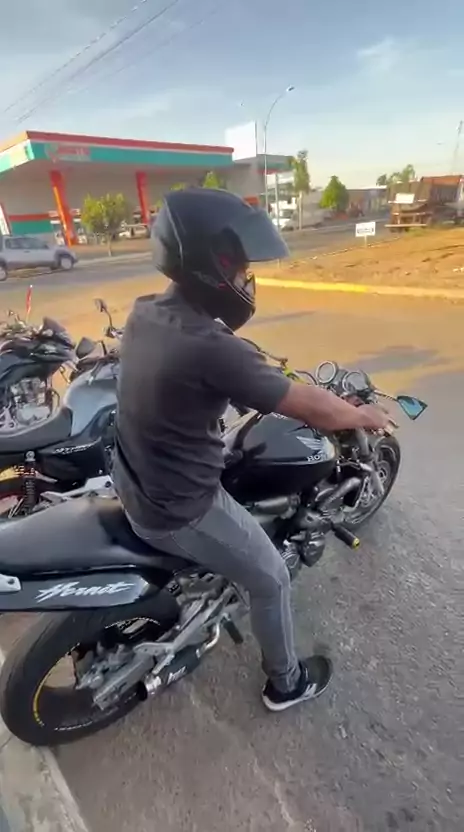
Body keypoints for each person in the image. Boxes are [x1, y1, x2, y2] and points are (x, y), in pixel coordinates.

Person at [113, 187, 390, 712]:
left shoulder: (148, 312)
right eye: (239, 267)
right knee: (271, 578)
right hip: (176, 506)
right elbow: (307, 404)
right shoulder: (211, 347)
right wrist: (359, 414)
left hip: (135, 474)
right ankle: (286, 683)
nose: (246, 278)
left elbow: (199, 381)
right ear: (208, 266)